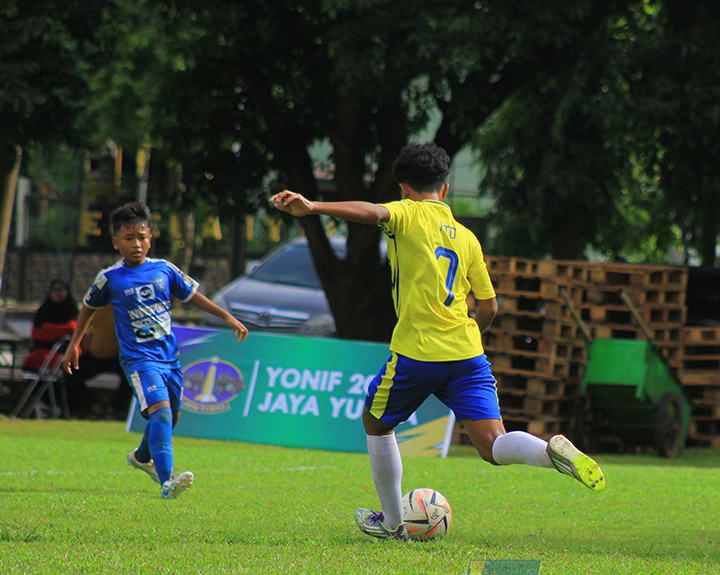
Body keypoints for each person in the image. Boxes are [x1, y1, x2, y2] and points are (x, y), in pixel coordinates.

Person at [270, 142, 605, 542]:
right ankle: (548, 450)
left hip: (418, 353)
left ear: (403, 188)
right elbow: (490, 306)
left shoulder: (406, 214)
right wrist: (470, 337)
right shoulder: (467, 238)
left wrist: (315, 208)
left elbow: (373, 212)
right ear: (444, 189)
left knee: (376, 423)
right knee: (493, 444)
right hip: (468, 355)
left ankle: (393, 524)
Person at [62, 202, 249, 500]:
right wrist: (74, 345)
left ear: (150, 238)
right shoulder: (110, 278)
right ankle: (167, 482)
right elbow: (88, 307)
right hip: (139, 361)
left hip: (170, 360)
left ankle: (140, 456)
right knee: (161, 415)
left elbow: (192, 296)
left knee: (168, 418)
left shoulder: (165, 269)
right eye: (128, 238)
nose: (136, 244)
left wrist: (226, 316)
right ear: (115, 242)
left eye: (142, 237)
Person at [64, 306, 132, 419]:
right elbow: (85, 327)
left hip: (118, 356)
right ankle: (93, 406)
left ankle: (113, 409)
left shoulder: (123, 304)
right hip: (96, 354)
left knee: (132, 376)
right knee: (70, 372)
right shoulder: (96, 305)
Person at [22, 279, 78, 372]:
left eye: (61, 290)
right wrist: (60, 330)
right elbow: (37, 333)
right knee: (32, 361)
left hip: (63, 350)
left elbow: (72, 329)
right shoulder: (44, 309)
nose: (58, 293)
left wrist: (49, 329)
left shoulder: (71, 309)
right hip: (43, 348)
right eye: (55, 290)